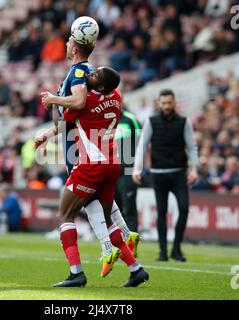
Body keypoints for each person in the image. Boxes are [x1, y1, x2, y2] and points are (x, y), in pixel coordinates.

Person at [38, 23, 140, 277]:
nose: (66, 43)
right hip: (105, 157)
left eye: (70, 40)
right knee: (102, 211)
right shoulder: (110, 94)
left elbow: (75, 107)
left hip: (84, 155)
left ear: (75, 45)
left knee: (66, 214)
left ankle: (81, 269)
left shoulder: (81, 77)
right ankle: (134, 265)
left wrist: (54, 101)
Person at [133, 89, 199, 262]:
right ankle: (163, 252)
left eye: (169, 103)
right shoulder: (151, 122)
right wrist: (137, 169)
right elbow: (142, 146)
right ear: (159, 103)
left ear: (174, 103)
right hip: (158, 173)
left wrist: (193, 170)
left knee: (184, 209)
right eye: (163, 103)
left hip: (178, 173)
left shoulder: (184, 122)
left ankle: (176, 249)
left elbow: (192, 147)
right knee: (161, 212)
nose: (167, 106)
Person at [114, 108, 142, 232]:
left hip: (127, 170)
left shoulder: (130, 119)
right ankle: (117, 243)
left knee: (129, 206)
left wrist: (139, 167)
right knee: (113, 209)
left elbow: (142, 142)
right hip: (110, 171)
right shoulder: (104, 119)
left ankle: (132, 242)